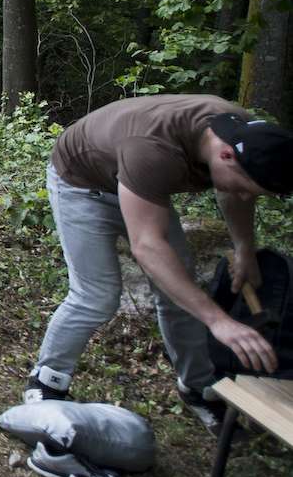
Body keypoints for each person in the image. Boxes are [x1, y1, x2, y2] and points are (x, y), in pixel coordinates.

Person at [24, 94, 292, 430]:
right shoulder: (152, 150)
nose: (245, 197)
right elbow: (147, 246)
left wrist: (244, 248)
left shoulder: (241, 133)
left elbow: (231, 190)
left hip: (141, 185)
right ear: (225, 156)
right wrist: (218, 320)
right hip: (83, 182)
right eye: (245, 190)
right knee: (96, 295)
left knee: (180, 290)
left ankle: (197, 385)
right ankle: (46, 382)